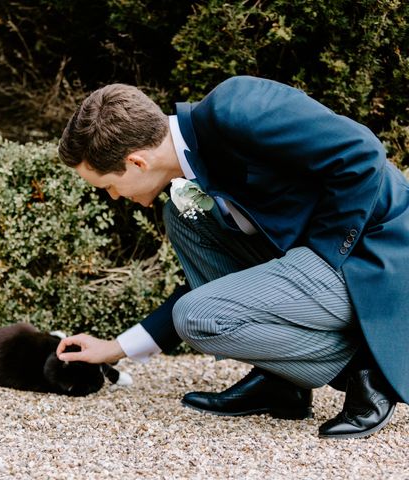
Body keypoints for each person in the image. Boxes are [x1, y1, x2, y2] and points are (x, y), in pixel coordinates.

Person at [55, 76, 409, 439]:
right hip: (323, 258)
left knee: (197, 317)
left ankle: (369, 368)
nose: (113, 196)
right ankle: (284, 383)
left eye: (107, 186)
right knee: (182, 219)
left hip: (375, 255)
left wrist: (316, 257)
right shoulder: (193, 176)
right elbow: (221, 287)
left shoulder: (237, 107)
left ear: (137, 162)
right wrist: (115, 348)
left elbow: (362, 154)